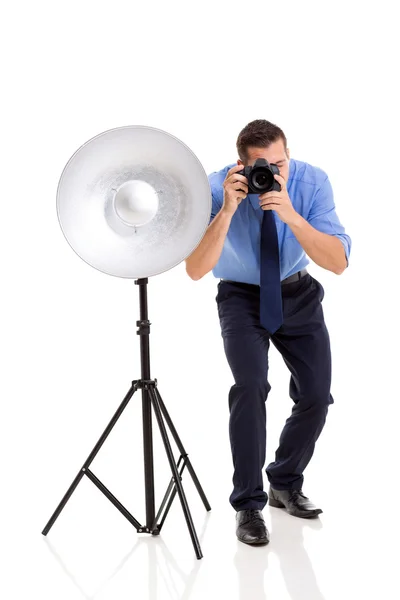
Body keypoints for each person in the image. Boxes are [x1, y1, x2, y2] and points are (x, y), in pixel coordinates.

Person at [185, 119, 352, 546]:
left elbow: (337, 262)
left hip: (297, 293)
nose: (273, 173)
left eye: (280, 162)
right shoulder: (214, 186)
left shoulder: (312, 182)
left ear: (288, 155)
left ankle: (284, 481)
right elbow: (195, 269)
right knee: (250, 386)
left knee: (316, 394)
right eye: (262, 166)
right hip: (241, 298)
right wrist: (226, 209)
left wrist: (291, 215)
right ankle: (248, 506)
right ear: (241, 164)